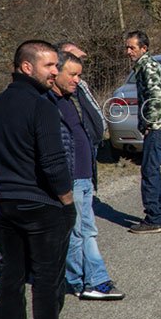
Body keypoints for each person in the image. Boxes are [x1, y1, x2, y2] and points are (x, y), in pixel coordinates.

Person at [0, 40, 78, 319]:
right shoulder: (42, 106)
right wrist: (67, 201)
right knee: (48, 282)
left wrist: (11, 184)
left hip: (8, 203)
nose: (55, 72)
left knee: (12, 278)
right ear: (26, 67)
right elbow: (53, 163)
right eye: (50, 66)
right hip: (44, 206)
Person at [47, 50, 124, 301]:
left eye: (80, 75)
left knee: (83, 231)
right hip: (70, 179)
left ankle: (78, 279)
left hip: (84, 176)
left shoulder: (72, 98)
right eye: (72, 74)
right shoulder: (47, 103)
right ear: (55, 71)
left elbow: (94, 126)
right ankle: (95, 280)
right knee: (82, 232)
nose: (77, 80)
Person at [125, 30, 161, 234]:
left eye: (132, 47)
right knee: (152, 168)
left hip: (157, 126)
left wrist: (150, 124)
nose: (128, 51)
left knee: (149, 171)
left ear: (144, 48)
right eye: (127, 47)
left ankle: (154, 218)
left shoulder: (148, 67)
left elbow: (156, 96)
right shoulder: (144, 66)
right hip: (158, 125)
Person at [56, 41, 107, 141]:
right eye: (71, 57)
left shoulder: (80, 84)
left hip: (92, 144)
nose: (76, 79)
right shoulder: (62, 94)